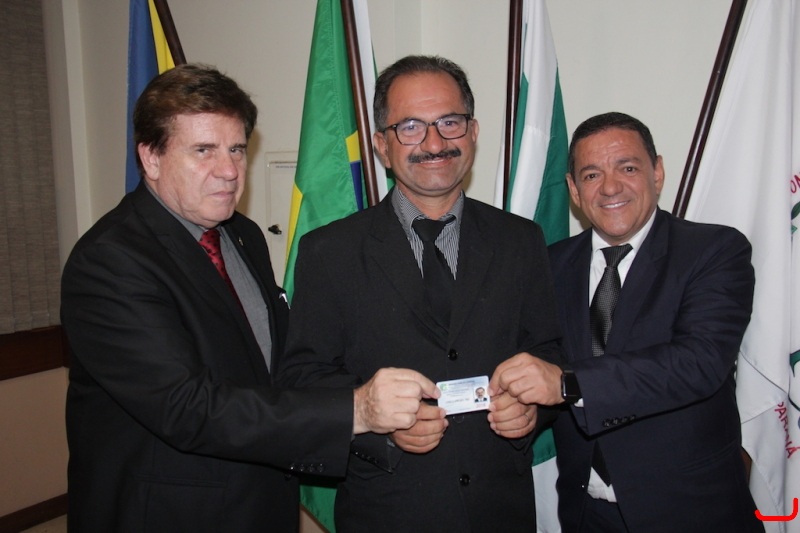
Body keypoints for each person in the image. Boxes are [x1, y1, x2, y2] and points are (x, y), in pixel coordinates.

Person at [61, 64, 440, 533]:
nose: (229, 171)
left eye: (236, 149)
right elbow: (187, 408)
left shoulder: (242, 235)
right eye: (204, 150)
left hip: (262, 504)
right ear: (151, 158)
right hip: (169, 515)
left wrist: (380, 421)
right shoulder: (109, 261)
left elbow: (277, 371)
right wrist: (357, 410)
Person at [278, 55, 564, 532]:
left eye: (450, 122)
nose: (434, 143)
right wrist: (378, 431)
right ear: (382, 146)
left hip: (500, 512)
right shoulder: (329, 251)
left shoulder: (521, 239)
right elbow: (304, 379)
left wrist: (533, 410)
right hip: (388, 512)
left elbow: (549, 352)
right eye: (410, 127)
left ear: (473, 132)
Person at [490, 112, 763, 532]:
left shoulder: (714, 250)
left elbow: (700, 362)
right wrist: (528, 410)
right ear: (574, 190)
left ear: (658, 172)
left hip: (693, 513)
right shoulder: (549, 264)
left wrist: (566, 383)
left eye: (628, 168)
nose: (610, 187)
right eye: (592, 175)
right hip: (586, 514)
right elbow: (546, 361)